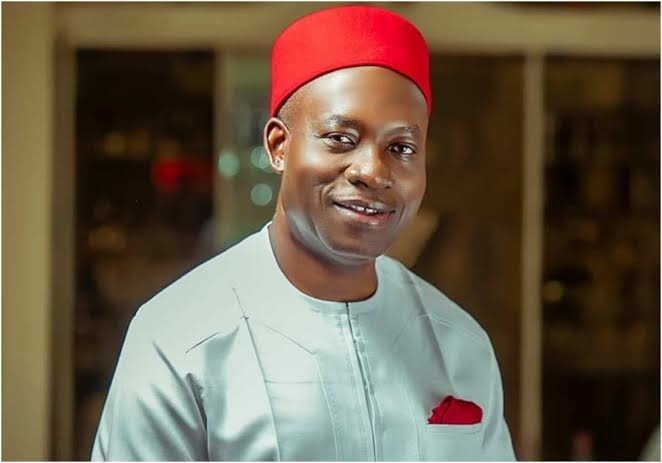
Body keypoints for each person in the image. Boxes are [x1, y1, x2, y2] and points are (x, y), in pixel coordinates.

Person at [91, 5, 515, 461]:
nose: (373, 171)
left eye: (401, 147)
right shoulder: (179, 337)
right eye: (340, 138)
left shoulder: (458, 344)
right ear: (279, 146)